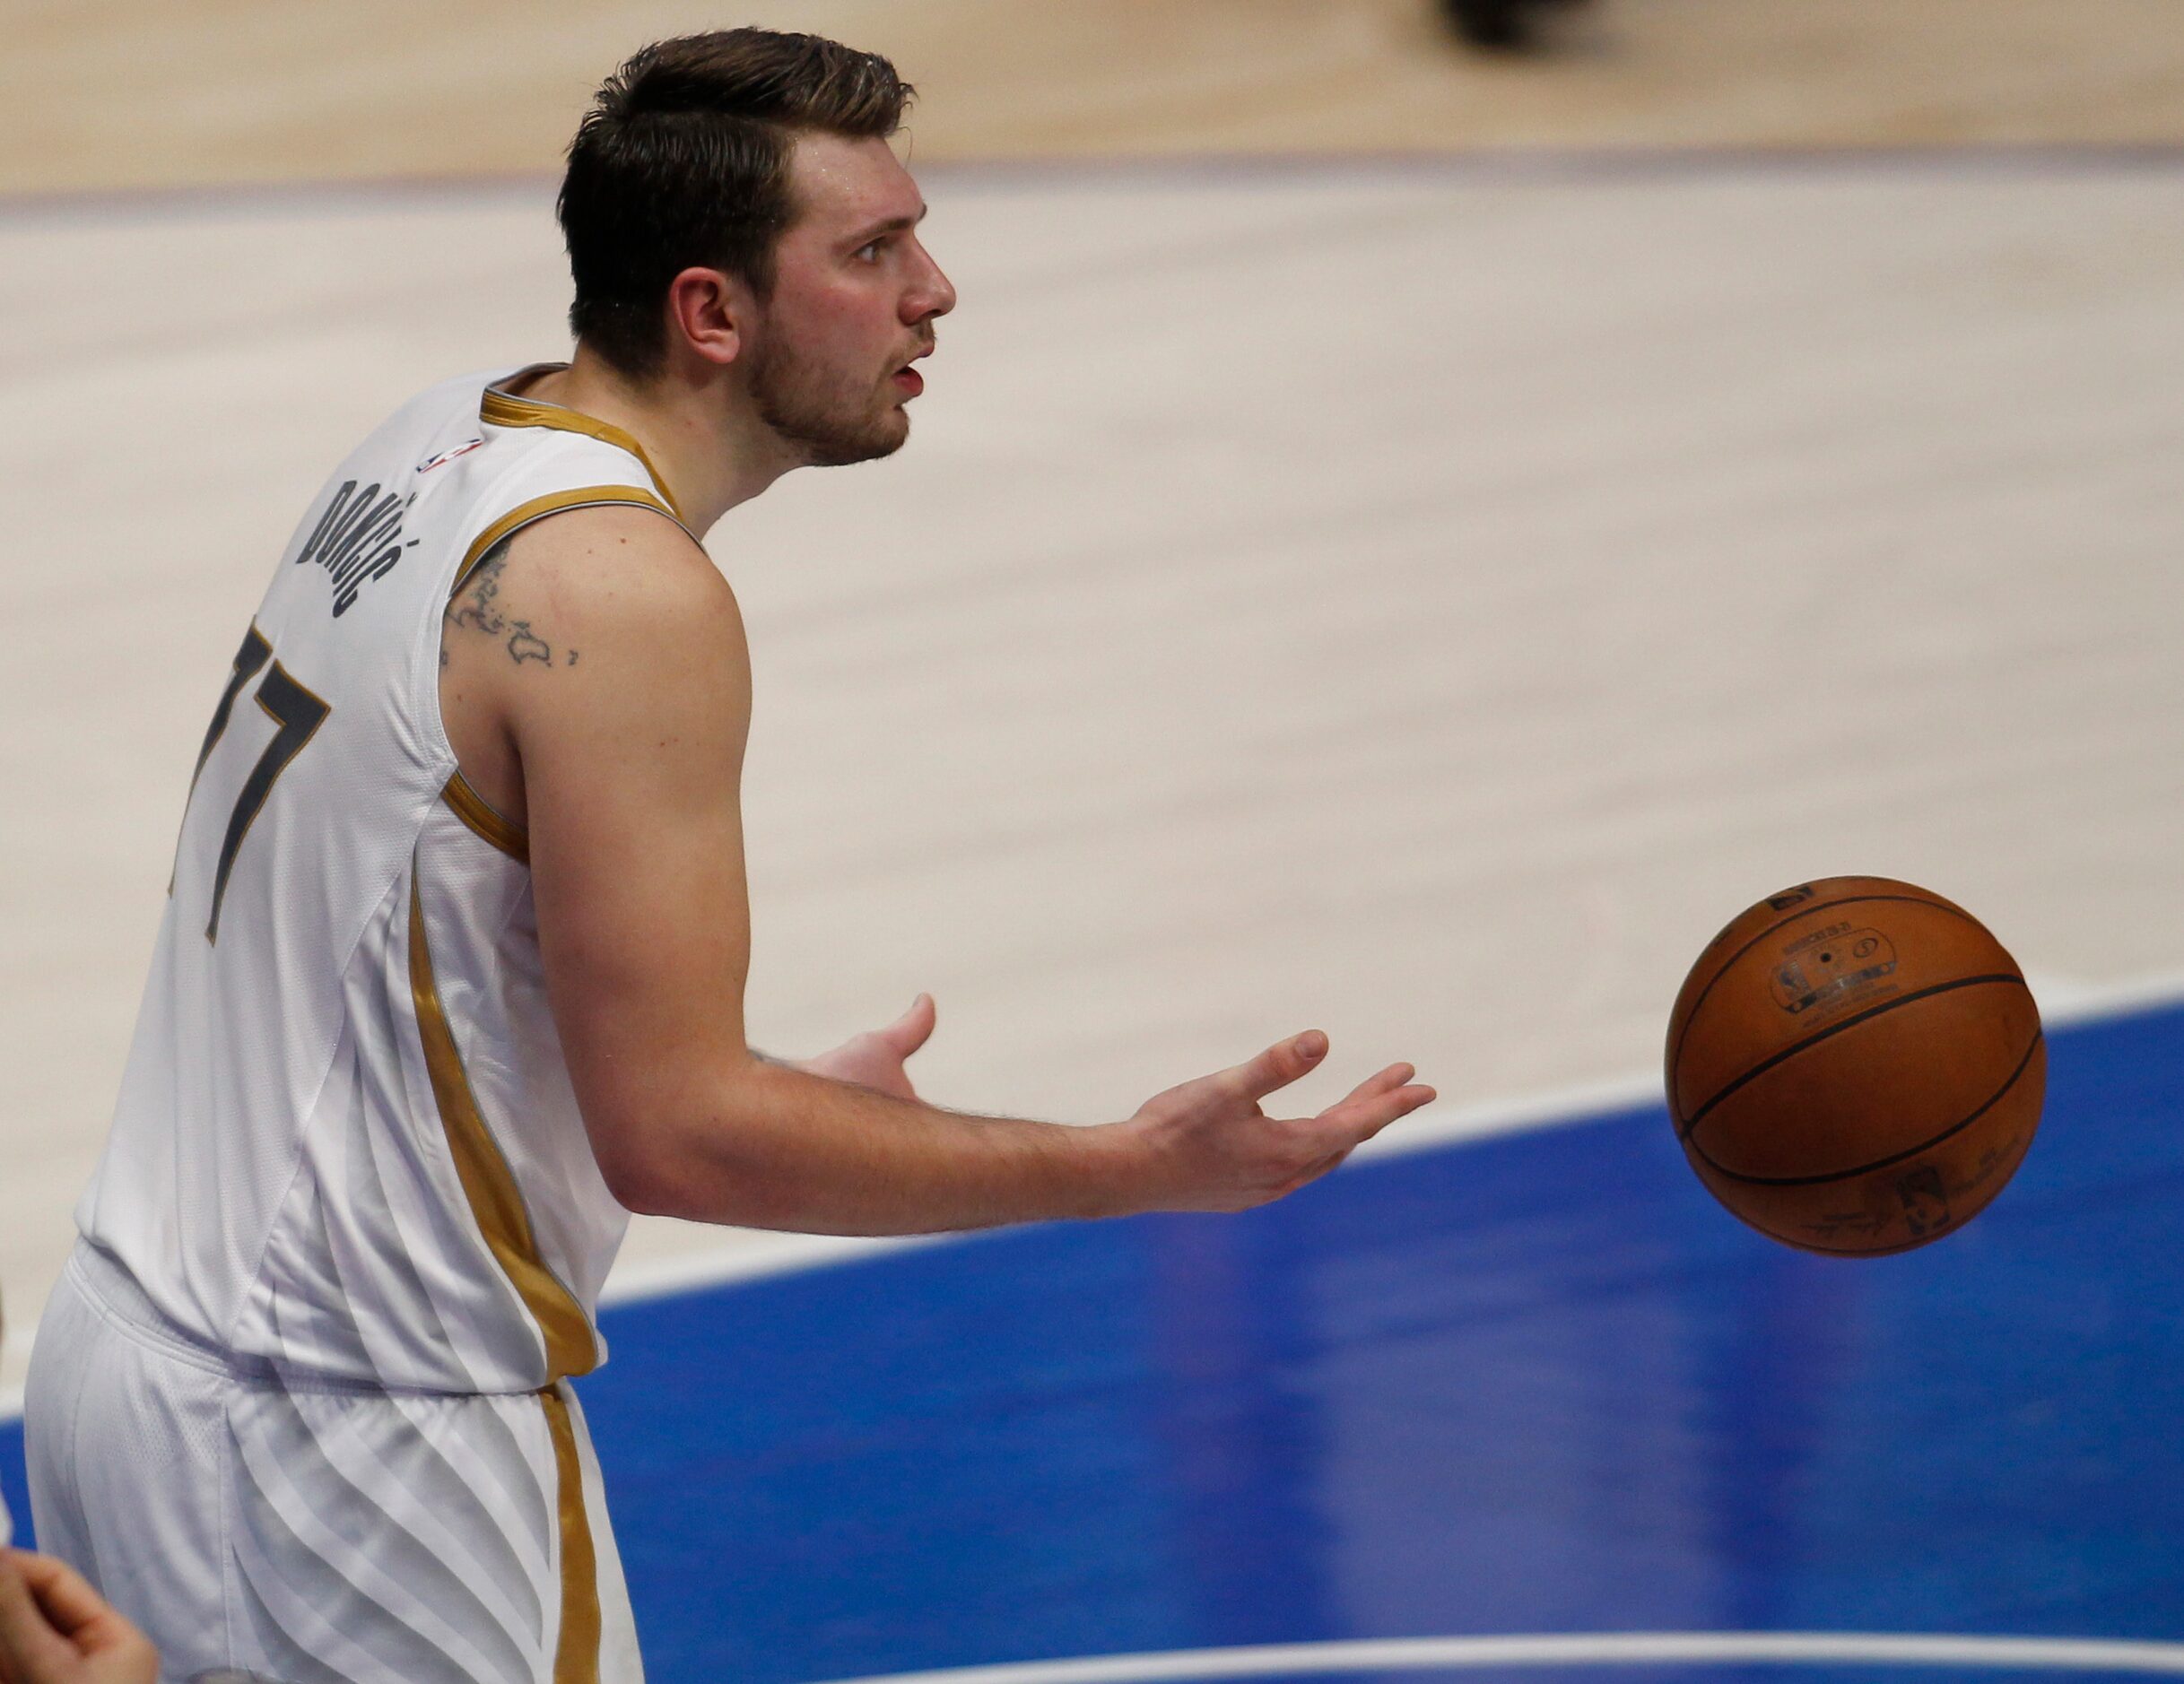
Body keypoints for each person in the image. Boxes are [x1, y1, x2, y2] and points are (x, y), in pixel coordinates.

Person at [24, 27, 1435, 1684]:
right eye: (872, 250)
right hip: (360, 1467)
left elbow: (391, 934)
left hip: (127, 1356)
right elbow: (679, 1136)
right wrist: (1133, 1164)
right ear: (712, 312)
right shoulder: (621, 591)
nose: (936, 290)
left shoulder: (431, 443)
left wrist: (771, 1095)